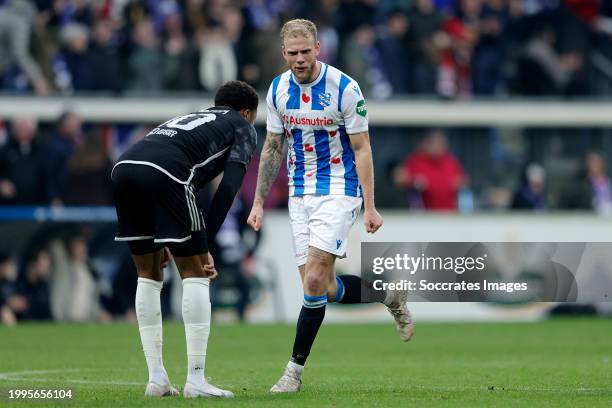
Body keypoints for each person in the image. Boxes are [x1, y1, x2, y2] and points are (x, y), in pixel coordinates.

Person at [247, 19, 414, 393]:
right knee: (322, 288)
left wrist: (370, 207)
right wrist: (258, 201)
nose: (300, 59)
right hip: (299, 193)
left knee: (312, 280)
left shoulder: (344, 88)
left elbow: (362, 148)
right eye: (293, 53)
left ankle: (293, 372)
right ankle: (389, 296)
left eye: (306, 51)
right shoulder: (276, 90)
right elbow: (273, 148)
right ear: (283, 54)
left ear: (318, 48)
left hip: (339, 190)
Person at [111, 80, 258, 398]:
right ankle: (196, 380)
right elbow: (229, 187)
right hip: (168, 174)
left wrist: (166, 237)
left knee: (148, 275)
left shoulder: (191, 119)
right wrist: (207, 246)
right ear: (247, 112)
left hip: (123, 169)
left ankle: (157, 379)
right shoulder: (243, 127)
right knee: (195, 274)